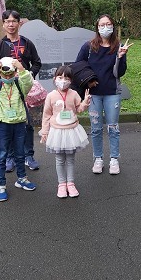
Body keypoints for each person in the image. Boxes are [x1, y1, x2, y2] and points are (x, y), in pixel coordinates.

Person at [75, 14, 133, 175]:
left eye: (108, 24)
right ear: (97, 27)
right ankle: (98, 158)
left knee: (113, 128)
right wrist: (88, 81)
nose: (105, 27)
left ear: (113, 26)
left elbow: (120, 73)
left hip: (112, 93)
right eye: (102, 25)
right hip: (93, 94)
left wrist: (120, 57)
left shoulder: (118, 46)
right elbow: (78, 66)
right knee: (96, 128)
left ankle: (114, 159)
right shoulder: (88, 47)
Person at [0, 56, 37, 201]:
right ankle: (1, 185)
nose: (7, 77)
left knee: (20, 153)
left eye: (11, 74)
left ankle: (22, 178)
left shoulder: (19, 84)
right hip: (2, 124)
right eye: (4, 74)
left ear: (15, 73)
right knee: (2, 155)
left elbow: (29, 82)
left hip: (19, 123)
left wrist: (21, 68)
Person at [0, 10, 42, 172]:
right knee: (8, 125)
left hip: (24, 89)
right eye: (7, 21)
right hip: (6, 91)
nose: (11, 24)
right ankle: (10, 157)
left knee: (27, 124)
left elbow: (37, 63)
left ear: (19, 23)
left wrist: (28, 74)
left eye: (14, 21)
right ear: (3, 24)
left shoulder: (27, 43)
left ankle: (29, 155)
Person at [39, 66, 91, 198]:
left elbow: (79, 109)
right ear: (54, 79)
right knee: (59, 159)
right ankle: (62, 184)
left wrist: (85, 102)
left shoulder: (74, 94)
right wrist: (45, 131)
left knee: (71, 159)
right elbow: (46, 115)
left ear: (71, 80)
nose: (63, 80)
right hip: (57, 132)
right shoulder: (51, 96)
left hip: (71, 131)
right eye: (60, 77)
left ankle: (71, 183)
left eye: (67, 78)